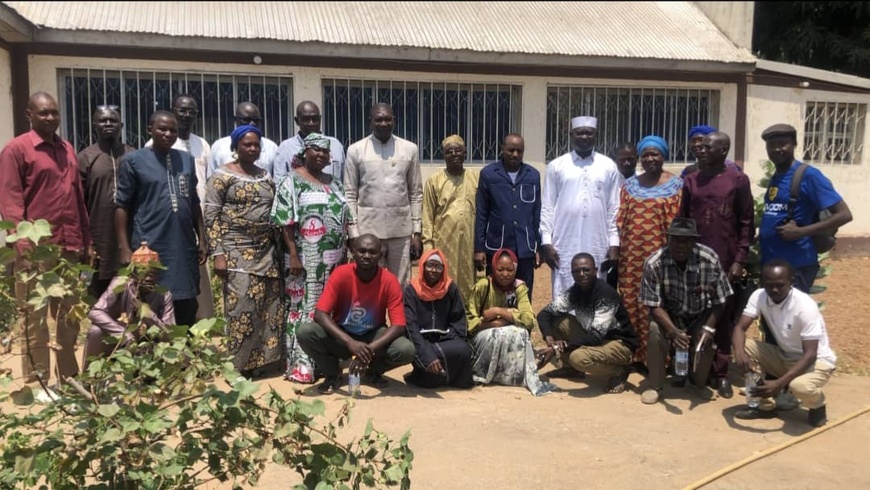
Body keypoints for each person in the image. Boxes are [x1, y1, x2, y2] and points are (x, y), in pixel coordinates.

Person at [0, 92, 89, 397]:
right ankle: (37, 383)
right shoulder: (16, 150)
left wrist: (85, 242)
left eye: (54, 112)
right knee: (34, 317)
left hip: (68, 247)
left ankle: (67, 379)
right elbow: (11, 204)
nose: (50, 117)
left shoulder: (66, 149)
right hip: (35, 250)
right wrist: (23, 248)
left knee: (69, 317)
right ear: (29, 115)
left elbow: (77, 200)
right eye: (43, 113)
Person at [679, 131, 754, 398]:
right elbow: (683, 221)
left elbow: (746, 223)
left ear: (723, 151)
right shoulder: (691, 180)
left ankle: (721, 373)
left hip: (725, 259)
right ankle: (694, 369)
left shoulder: (738, 180)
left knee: (723, 316)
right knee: (692, 313)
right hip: (694, 260)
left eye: (707, 147)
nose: (700, 150)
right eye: (699, 146)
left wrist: (739, 260)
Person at [115, 110, 207, 327]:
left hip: (183, 246)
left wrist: (202, 239)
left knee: (186, 304)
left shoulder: (186, 160)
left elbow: (193, 202)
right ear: (150, 129)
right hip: (150, 243)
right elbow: (121, 206)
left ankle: (183, 356)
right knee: (149, 301)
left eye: (173, 130)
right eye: (162, 129)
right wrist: (124, 248)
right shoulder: (134, 161)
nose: (168, 134)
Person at [205, 124, 282, 377]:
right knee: (242, 307)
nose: (252, 148)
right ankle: (237, 366)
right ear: (235, 147)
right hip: (235, 250)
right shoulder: (222, 176)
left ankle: (262, 362)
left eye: (256, 145)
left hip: (265, 250)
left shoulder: (265, 176)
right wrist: (218, 254)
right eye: (246, 144)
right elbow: (211, 217)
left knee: (267, 305)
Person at [271, 132, 348, 383]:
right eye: (316, 149)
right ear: (305, 152)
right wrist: (293, 255)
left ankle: (328, 362)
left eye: (326, 151)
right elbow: (285, 222)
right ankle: (302, 366)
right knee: (304, 309)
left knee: (329, 308)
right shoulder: (291, 182)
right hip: (304, 260)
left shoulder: (335, 182)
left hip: (334, 260)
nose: (321, 155)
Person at [296, 234, 415, 394]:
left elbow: (399, 325)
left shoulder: (389, 280)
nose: (367, 256)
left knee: (406, 349)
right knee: (305, 332)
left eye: (372, 252)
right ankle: (332, 373)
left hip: (372, 336)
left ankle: (373, 371)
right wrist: (350, 343)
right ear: (353, 252)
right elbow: (320, 314)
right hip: (342, 335)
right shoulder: (341, 274)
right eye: (362, 251)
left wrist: (370, 350)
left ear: (380, 255)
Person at [639, 217, 733, 405]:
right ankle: (655, 385)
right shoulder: (654, 263)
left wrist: (708, 328)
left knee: (706, 338)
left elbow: (721, 300)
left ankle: (698, 383)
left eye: (686, 241)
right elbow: (653, 305)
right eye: (676, 240)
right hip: (668, 315)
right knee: (655, 332)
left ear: (694, 241)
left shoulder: (709, 258)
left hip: (699, 315)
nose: (681, 246)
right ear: (668, 240)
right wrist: (673, 331)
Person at [732, 260, 836, 427]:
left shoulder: (805, 306)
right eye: (769, 285)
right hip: (784, 356)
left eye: (780, 285)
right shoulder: (759, 296)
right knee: (743, 346)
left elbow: (810, 355)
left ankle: (818, 404)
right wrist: (739, 353)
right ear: (763, 283)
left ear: (791, 282)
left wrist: (779, 383)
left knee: (799, 386)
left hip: (816, 362)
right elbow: (739, 328)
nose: (774, 290)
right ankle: (765, 407)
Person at [145, 94, 215, 320]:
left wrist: (203, 233)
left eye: (191, 111)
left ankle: (198, 325)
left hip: (194, 220)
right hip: (164, 225)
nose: (186, 115)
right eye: (182, 110)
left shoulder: (201, 144)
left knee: (198, 277)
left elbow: (204, 185)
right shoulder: (154, 145)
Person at [759, 123, 852, 293]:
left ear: (794, 144)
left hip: (796, 266)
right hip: (772, 264)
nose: (777, 149)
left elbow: (844, 215)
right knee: (773, 318)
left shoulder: (809, 175)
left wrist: (801, 232)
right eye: (771, 145)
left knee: (791, 317)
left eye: (782, 143)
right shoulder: (778, 175)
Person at [616, 136, 682, 367]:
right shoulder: (630, 186)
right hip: (632, 260)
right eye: (646, 155)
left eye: (655, 154)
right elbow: (620, 221)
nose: (651, 159)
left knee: (660, 304)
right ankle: (636, 355)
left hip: (662, 258)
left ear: (664, 156)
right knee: (632, 303)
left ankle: (660, 359)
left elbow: (678, 225)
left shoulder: (676, 186)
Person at [541, 116, 621, 299]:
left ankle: (597, 328)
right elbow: (547, 206)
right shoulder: (556, 166)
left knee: (597, 286)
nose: (584, 137)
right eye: (580, 133)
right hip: (564, 240)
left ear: (596, 135)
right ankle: (565, 327)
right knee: (565, 286)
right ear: (571, 135)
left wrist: (614, 243)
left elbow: (614, 208)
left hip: (598, 240)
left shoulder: (608, 166)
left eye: (589, 133)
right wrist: (546, 241)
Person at [344, 103, 423, 285]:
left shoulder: (409, 149)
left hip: (401, 233)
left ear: (394, 120)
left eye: (388, 119)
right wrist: (353, 233)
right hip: (368, 232)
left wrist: (416, 233)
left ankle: (399, 315)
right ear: (370, 122)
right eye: (378, 119)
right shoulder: (356, 150)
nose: (384, 123)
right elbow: (349, 194)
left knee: (401, 285)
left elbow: (416, 193)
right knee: (369, 284)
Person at [536, 253, 639, 393]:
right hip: (594, 336)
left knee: (578, 358)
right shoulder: (575, 291)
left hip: (618, 344)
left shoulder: (606, 294)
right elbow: (545, 314)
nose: (581, 274)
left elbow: (596, 336)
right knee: (558, 321)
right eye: (576, 271)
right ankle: (571, 369)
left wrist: (558, 348)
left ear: (595, 270)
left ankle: (619, 370)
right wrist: (549, 340)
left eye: (586, 270)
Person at [465, 248, 553, 396]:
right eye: (500, 269)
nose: (505, 274)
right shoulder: (483, 286)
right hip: (480, 337)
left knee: (521, 332)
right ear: (493, 267)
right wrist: (507, 318)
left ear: (515, 269)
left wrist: (498, 312)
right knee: (496, 334)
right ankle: (485, 372)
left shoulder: (520, 287)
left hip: (493, 325)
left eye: (510, 270)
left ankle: (510, 375)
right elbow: (470, 323)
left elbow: (529, 320)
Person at [84, 242, 174, 371]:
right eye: (143, 273)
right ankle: (89, 378)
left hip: (146, 344)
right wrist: (124, 336)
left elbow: (169, 334)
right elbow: (95, 311)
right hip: (117, 339)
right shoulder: (121, 283)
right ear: (133, 274)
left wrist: (148, 315)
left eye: (152, 274)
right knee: (95, 331)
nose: (148, 278)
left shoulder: (164, 295)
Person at [78, 105, 136, 298]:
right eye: (103, 120)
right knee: (89, 290)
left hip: (129, 238)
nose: (108, 124)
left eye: (113, 120)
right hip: (95, 238)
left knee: (128, 292)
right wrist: (85, 242)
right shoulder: (85, 157)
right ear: (94, 124)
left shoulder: (133, 155)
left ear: (121, 124)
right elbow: (79, 202)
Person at [474, 133, 541, 295]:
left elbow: (537, 213)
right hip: (497, 244)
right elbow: (481, 213)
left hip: (524, 246)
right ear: (502, 149)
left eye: (519, 151)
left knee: (523, 292)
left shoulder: (532, 175)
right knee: (496, 292)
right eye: (511, 150)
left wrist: (539, 246)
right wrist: (479, 248)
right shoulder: (489, 174)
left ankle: (521, 320)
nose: (515, 154)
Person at [402, 249, 474, 389]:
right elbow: (411, 327)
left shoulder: (450, 288)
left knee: (463, 349)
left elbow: (458, 320)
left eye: (438, 267)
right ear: (422, 266)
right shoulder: (412, 290)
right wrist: (426, 351)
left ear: (444, 268)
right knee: (426, 354)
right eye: (430, 265)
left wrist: (450, 338)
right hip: (421, 341)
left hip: (446, 339)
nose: (433, 270)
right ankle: (425, 377)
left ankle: (451, 379)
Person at [422, 134, 479, 300]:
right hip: (443, 243)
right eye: (449, 151)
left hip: (469, 244)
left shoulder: (476, 178)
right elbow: (427, 216)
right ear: (444, 156)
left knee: (469, 286)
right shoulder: (435, 181)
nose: (454, 154)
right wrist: (428, 247)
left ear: (465, 154)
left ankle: (468, 322)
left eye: (458, 150)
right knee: (442, 283)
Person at [274, 101, 345, 182]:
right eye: (306, 119)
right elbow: (279, 182)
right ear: (297, 121)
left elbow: (344, 181)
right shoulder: (286, 148)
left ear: (320, 119)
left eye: (315, 119)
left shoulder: (335, 145)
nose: (311, 123)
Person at [208, 102, 279, 178]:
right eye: (246, 119)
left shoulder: (271, 147)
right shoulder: (219, 146)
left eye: (256, 120)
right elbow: (211, 178)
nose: (252, 124)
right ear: (236, 120)